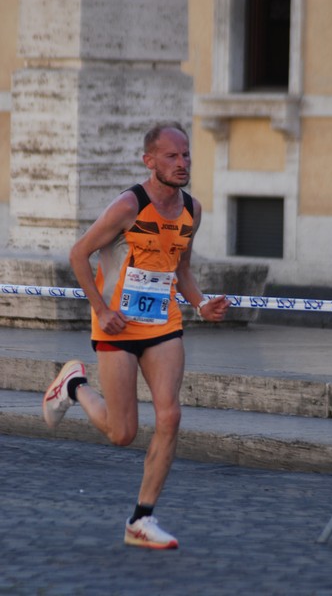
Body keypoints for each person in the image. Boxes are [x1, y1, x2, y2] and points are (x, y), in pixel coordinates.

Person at [42, 121, 230, 550]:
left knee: (170, 416)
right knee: (122, 433)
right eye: (171, 156)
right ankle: (74, 386)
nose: (182, 163)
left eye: (186, 156)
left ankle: (141, 519)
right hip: (118, 326)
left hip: (163, 324)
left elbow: (180, 270)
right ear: (149, 161)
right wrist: (102, 309)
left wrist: (201, 304)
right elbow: (78, 254)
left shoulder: (191, 211)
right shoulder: (129, 205)